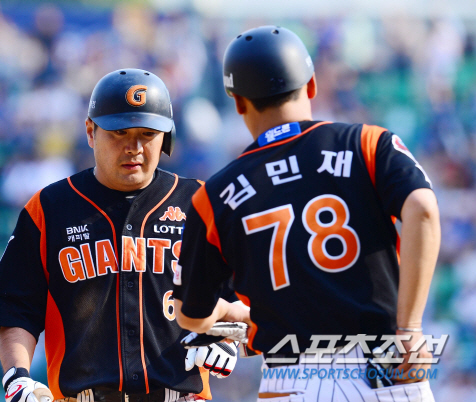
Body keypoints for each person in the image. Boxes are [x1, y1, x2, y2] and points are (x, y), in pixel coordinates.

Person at [174, 26, 440, 402]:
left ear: (238, 102)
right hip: (387, 366)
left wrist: (237, 314)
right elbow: (423, 210)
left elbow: (190, 317)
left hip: (292, 379)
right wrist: (410, 327)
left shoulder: (214, 195)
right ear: (311, 84)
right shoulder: (367, 143)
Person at [0, 69, 238, 402]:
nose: (134, 147)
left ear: (166, 136)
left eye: (148, 133)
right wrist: (17, 377)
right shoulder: (49, 208)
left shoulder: (201, 203)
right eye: (119, 132)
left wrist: (228, 337)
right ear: (91, 131)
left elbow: (248, 300)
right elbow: (14, 312)